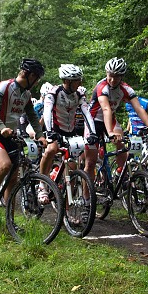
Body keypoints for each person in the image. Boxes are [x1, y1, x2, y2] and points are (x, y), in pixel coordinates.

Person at [0, 58, 47, 216]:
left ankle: (9, 220)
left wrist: (40, 135)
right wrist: (2, 127)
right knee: (5, 165)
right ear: (29, 75)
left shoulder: (26, 94)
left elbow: (32, 116)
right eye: (37, 78)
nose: (37, 82)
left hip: (11, 136)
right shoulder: (5, 86)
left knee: (12, 179)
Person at [83, 57, 148, 183]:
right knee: (90, 162)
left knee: (121, 143)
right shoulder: (102, 87)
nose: (112, 80)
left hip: (110, 119)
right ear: (106, 73)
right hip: (93, 121)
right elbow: (106, 109)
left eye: (116, 77)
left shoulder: (126, 89)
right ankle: (88, 194)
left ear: (122, 76)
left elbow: (139, 109)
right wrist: (110, 132)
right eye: (110, 76)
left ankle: (120, 175)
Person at [39, 64, 97, 204]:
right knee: (51, 150)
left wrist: (93, 133)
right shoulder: (54, 92)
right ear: (67, 81)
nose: (80, 83)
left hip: (71, 133)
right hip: (55, 130)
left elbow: (86, 113)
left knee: (72, 169)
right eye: (77, 80)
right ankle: (42, 185)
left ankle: (67, 210)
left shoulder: (79, 94)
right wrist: (49, 132)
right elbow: (47, 112)